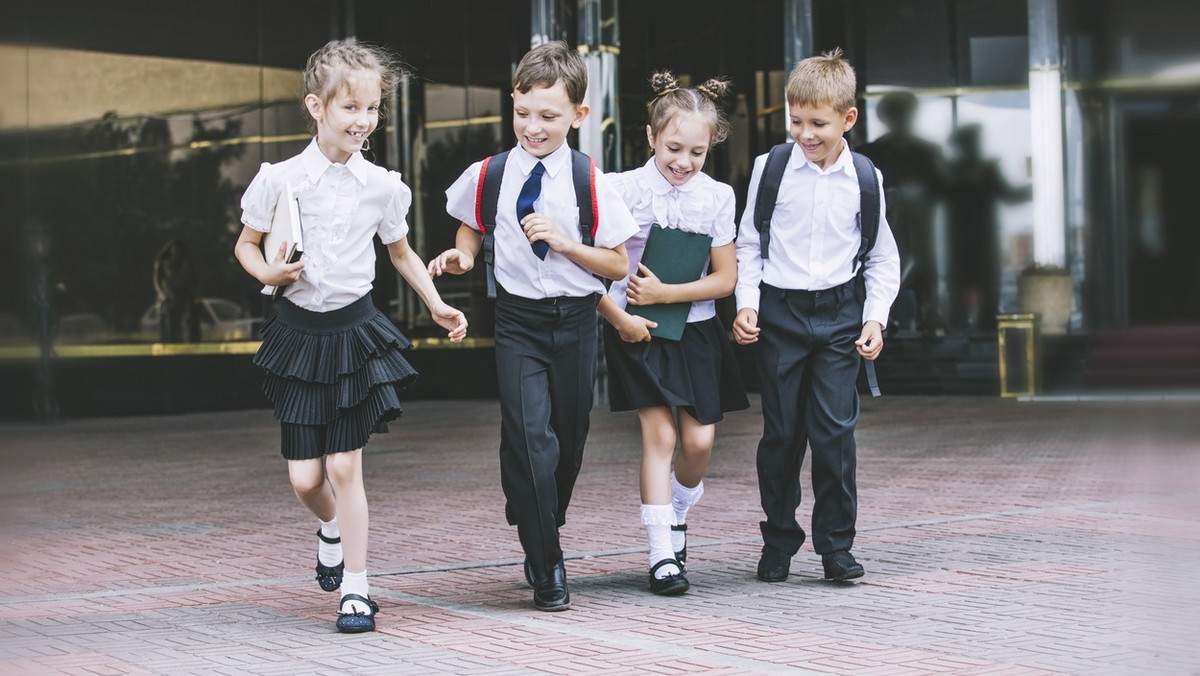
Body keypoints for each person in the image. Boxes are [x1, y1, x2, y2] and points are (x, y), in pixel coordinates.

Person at [233, 39, 468, 634]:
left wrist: (436, 303)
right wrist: (268, 272)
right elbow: (246, 243)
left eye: (373, 109)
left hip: (353, 333)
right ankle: (330, 529)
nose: (364, 121)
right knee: (304, 478)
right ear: (316, 106)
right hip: (297, 333)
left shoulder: (383, 186)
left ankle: (358, 591)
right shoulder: (278, 179)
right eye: (351, 108)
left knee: (344, 466)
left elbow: (401, 252)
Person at [428, 40, 637, 612]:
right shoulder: (489, 173)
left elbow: (618, 263)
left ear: (578, 115)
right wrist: (463, 257)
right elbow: (471, 226)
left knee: (566, 445)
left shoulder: (592, 180)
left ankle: (537, 511)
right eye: (523, 113)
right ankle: (547, 566)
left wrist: (567, 244)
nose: (533, 127)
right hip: (518, 321)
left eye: (548, 116)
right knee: (531, 442)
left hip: (576, 322)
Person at [733, 48, 900, 584]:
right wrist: (747, 305)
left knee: (834, 435)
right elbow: (748, 245)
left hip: (838, 318)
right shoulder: (771, 167)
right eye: (796, 121)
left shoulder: (865, 178)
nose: (805, 134)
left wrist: (875, 318)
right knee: (782, 435)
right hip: (779, 314)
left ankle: (836, 547)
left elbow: (881, 257)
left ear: (848, 119)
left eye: (818, 124)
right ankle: (778, 541)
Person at [597, 71, 748, 595]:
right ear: (651, 138)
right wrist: (626, 311)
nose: (684, 162)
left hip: (699, 330)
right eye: (674, 148)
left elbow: (725, 278)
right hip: (637, 330)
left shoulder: (719, 197)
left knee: (700, 442)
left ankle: (680, 504)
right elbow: (598, 266)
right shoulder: (620, 189)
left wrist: (666, 294)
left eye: (698, 152)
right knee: (660, 436)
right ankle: (662, 554)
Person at [858, 91, 947, 335]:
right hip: (888, 225)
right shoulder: (872, 152)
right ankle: (895, 316)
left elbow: (942, 189)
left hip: (917, 226)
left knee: (920, 270)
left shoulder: (926, 152)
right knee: (884, 267)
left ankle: (926, 312)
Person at [152, 239, 201, 342]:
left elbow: (193, 280)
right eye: (174, 250)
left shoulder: (187, 263)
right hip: (168, 297)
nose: (176, 252)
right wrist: (162, 294)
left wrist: (194, 295)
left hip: (184, 295)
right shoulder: (162, 264)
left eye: (178, 250)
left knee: (188, 322)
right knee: (169, 324)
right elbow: (157, 281)